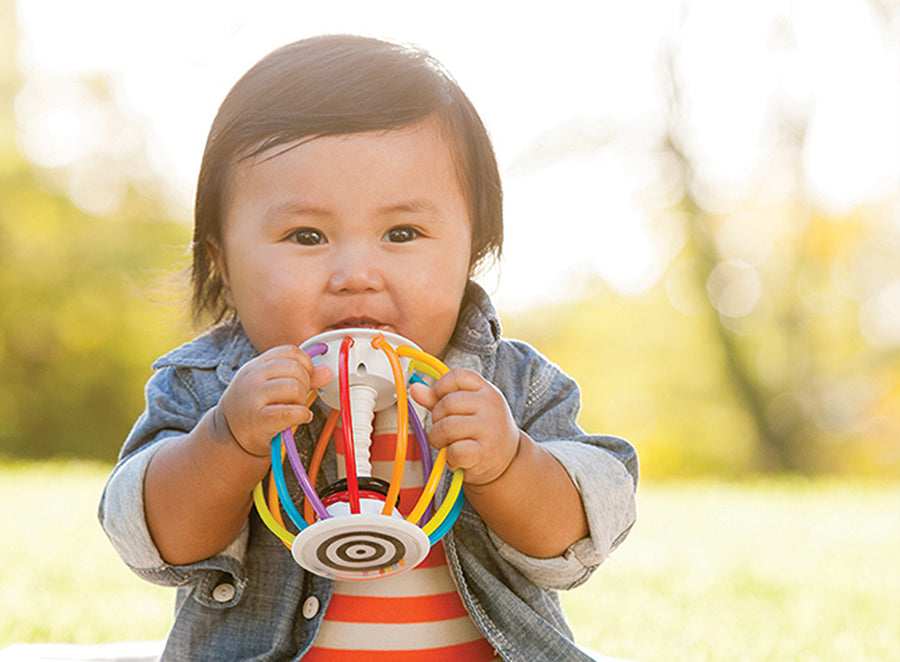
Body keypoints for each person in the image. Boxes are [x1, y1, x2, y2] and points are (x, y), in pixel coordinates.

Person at [99, 34, 638, 662]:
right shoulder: (208, 386)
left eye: (401, 232)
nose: (356, 271)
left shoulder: (510, 385)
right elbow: (156, 540)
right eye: (306, 235)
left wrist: (511, 463)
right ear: (222, 262)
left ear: (474, 248)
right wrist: (228, 439)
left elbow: (579, 537)